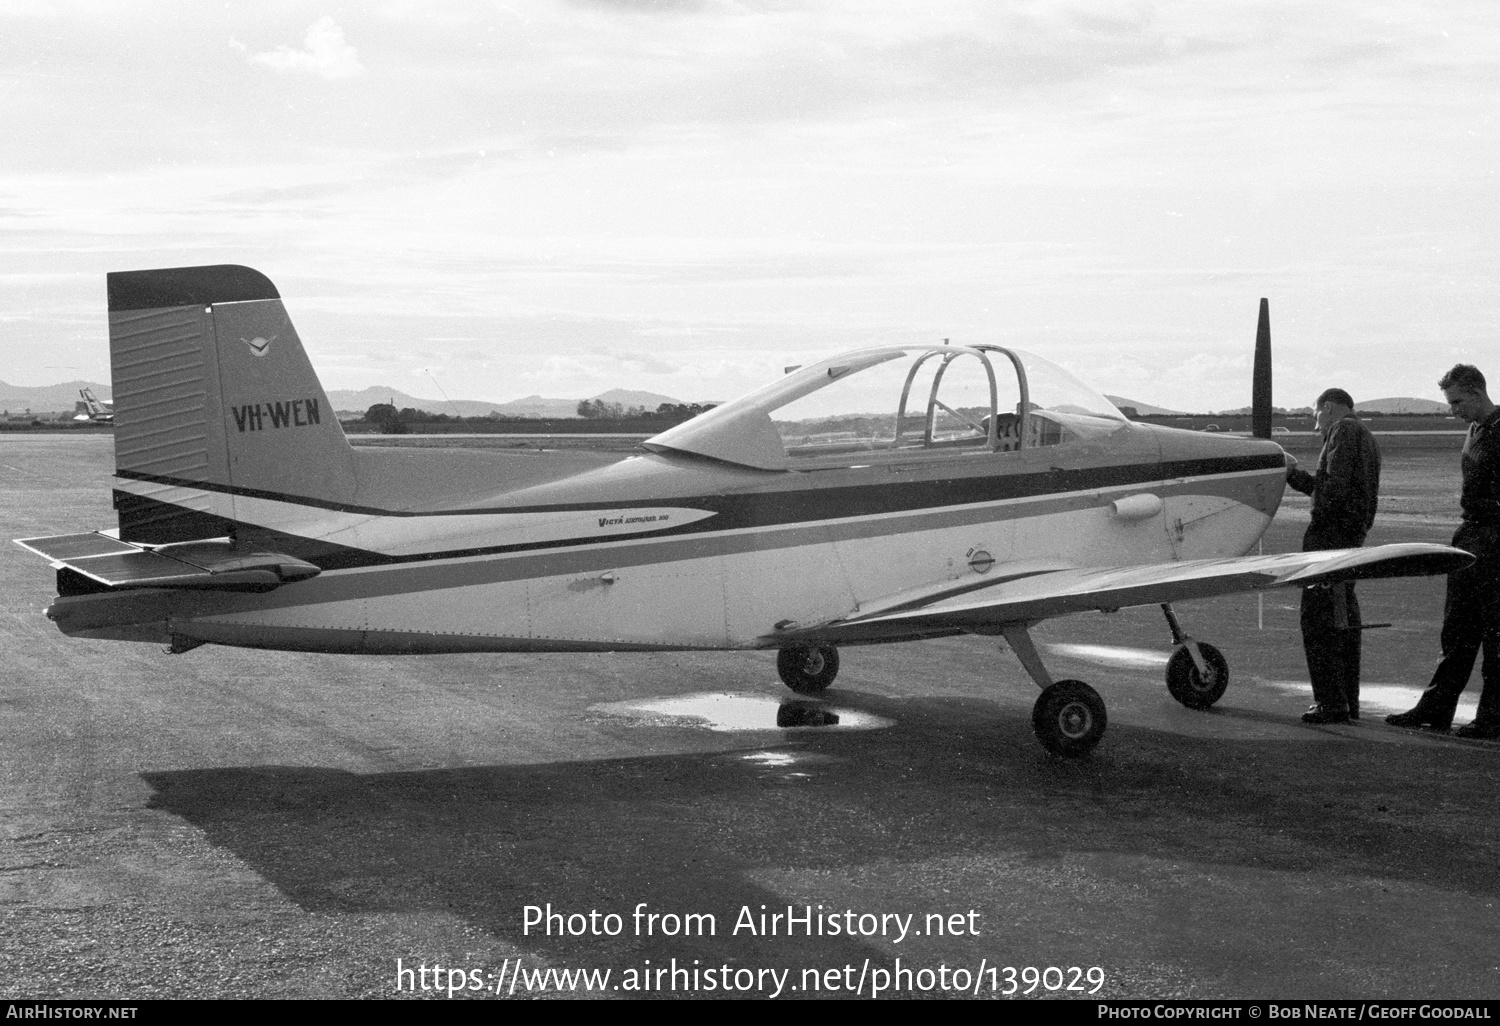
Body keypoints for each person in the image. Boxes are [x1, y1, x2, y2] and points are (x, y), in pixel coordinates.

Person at [1387, 364, 1500, 738]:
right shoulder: (1475, 430)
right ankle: (1436, 708)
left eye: (1456, 402)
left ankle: (1492, 717)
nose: (1453, 410)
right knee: (1457, 632)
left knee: (1495, 637)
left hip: (1496, 539)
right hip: (1471, 536)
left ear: (1476, 393)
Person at [1286, 387, 1381, 724]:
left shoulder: (1344, 431)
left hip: (1331, 540)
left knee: (1321, 622)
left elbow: (1333, 491)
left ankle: (1333, 703)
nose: (1315, 424)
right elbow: (1332, 487)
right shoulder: (1361, 434)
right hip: (1345, 537)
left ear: (1327, 408)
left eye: (1315, 415)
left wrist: (1321, 539)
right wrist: (1295, 477)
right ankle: (1344, 701)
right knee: (1339, 620)